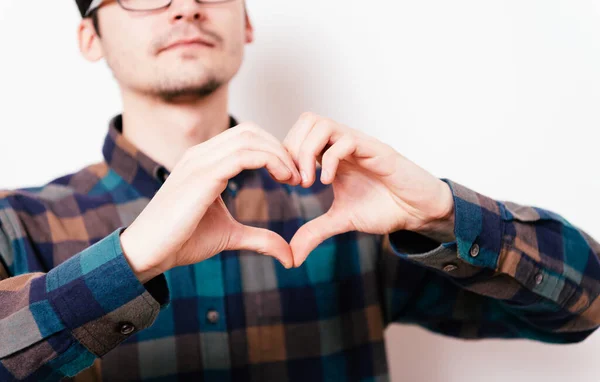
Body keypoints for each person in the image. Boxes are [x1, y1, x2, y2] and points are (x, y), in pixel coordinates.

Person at [1, 0, 599, 380]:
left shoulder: (350, 209)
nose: (185, 6)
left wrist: (444, 213)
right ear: (90, 37)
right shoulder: (17, 223)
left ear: (247, 21)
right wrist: (128, 260)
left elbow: (584, 305)